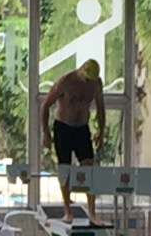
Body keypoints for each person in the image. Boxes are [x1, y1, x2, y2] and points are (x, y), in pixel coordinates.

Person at [41, 58, 106, 224]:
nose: (88, 83)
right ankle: (67, 211)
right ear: (81, 71)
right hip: (63, 128)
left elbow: (100, 108)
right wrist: (46, 132)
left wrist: (101, 131)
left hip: (82, 128)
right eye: (86, 79)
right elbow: (45, 105)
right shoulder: (66, 81)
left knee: (89, 169)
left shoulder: (96, 84)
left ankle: (92, 212)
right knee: (65, 170)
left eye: (91, 80)